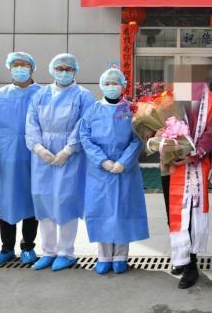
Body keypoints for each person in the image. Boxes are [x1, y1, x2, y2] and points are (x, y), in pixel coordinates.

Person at [25, 53, 94, 272]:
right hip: (42, 156)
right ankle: (48, 251)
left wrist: (69, 149)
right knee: (44, 200)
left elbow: (84, 124)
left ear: (75, 71)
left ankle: (66, 252)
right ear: (52, 69)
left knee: (66, 201)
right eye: (59, 68)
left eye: (68, 69)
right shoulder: (40, 94)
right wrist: (38, 147)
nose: (63, 72)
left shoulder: (83, 96)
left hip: (71, 156)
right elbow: (31, 123)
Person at [80, 68, 148, 275]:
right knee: (101, 211)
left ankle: (120, 256)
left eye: (115, 83)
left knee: (122, 210)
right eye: (107, 83)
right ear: (101, 85)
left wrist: (124, 162)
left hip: (125, 170)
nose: (111, 86)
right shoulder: (92, 110)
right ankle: (103, 255)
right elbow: (85, 137)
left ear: (123, 85)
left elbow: (138, 138)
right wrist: (102, 161)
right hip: (99, 171)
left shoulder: (131, 110)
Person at [0, 52, 42, 266]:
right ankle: (7, 248)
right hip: (5, 157)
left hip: (35, 157)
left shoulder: (42, 94)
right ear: (9, 68)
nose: (20, 69)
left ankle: (28, 247)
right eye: (15, 65)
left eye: (24, 65)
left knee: (32, 201)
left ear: (32, 68)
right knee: (6, 201)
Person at [163, 63, 212, 289]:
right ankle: (180, 256)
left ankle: (191, 264)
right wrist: (160, 139)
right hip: (171, 166)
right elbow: (158, 127)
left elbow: (210, 133)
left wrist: (192, 155)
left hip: (195, 167)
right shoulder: (168, 100)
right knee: (174, 214)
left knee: (192, 215)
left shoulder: (211, 102)